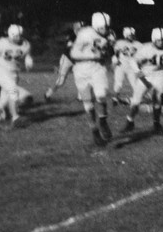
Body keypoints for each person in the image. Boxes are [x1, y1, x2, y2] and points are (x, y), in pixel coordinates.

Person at [121, 28, 163, 133]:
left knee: (157, 99)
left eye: (162, 40)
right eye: (158, 40)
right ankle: (130, 121)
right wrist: (137, 71)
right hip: (145, 75)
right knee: (136, 101)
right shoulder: (145, 48)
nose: (161, 42)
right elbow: (133, 60)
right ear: (154, 39)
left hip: (160, 75)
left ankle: (156, 123)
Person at [70, 12, 114, 146]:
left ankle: (103, 120)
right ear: (96, 25)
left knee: (101, 95)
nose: (105, 30)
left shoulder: (110, 35)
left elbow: (110, 52)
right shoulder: (85, 34)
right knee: (88, 103)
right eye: (102, 27)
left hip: (97, 69)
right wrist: (92, 55)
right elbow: (74, 53)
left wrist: (109, 53)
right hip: (81, 70)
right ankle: (94, 130)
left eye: (107, 27)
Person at [0, 24, 34, 127]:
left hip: (14, 74)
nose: (17, 38)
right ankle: (15, 118)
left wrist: (29, 61)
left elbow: (28, 55)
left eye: (19, 35)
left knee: (4, 99)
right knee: (13, 91)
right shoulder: (2, 43)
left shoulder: (26, 44)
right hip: (1, 71)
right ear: (10, 35)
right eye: (15, 36)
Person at [45, 21, 85, 102]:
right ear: (75, 29)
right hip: (67, 59)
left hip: (77, 61)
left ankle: (80, 97)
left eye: (82, 29)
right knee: (61, 81)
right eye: (79, 29)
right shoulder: (72, 36)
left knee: (81, 78)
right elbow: (70, 46)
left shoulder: (86, 37)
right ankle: (48, 94)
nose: (81, 31)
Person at [111, 27, 143, 106]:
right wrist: (115, 61)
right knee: (118, 83)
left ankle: (136, 100)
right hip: (121, 65)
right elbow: (116, 53)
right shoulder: (120, 43)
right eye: (129, 35)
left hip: (131, 67)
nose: (131, 36)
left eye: (132, 35)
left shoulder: (138, 44)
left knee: (135, 85)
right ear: (125, 35)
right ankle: (115, 98)